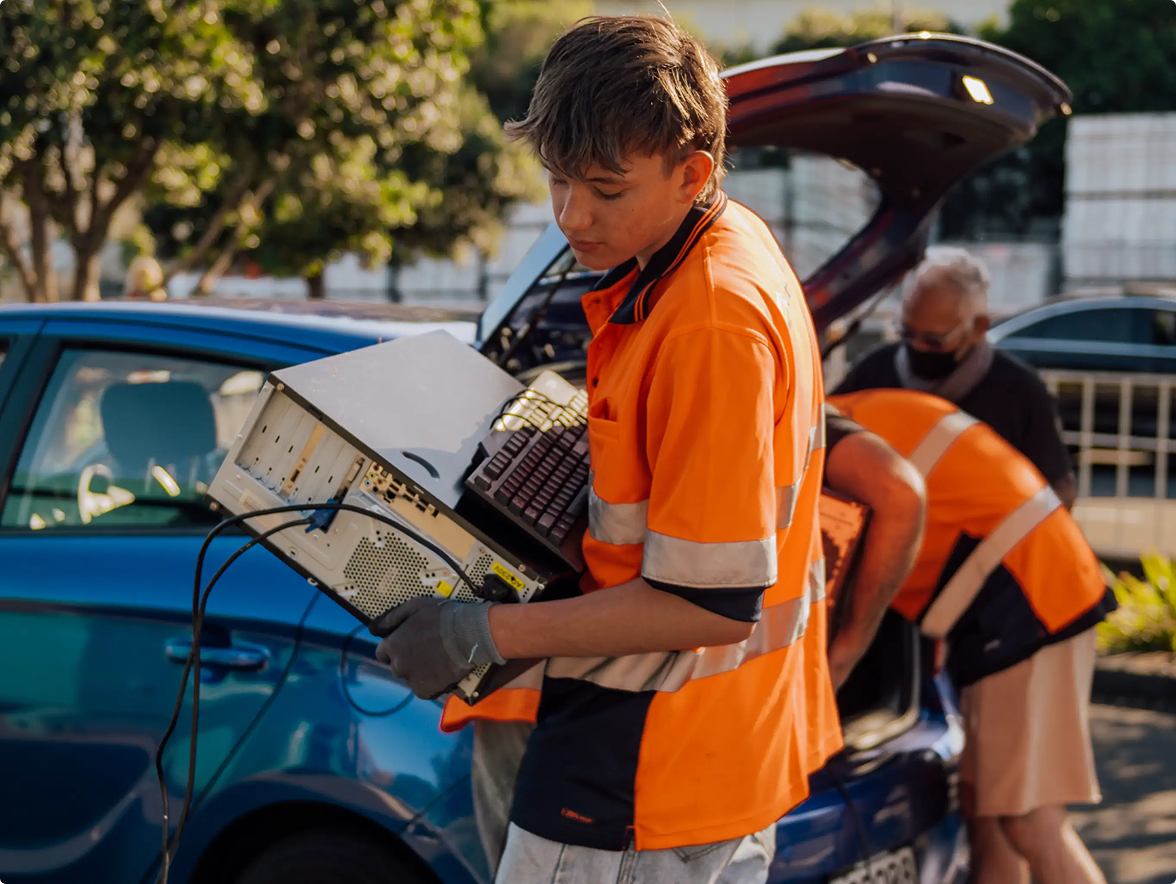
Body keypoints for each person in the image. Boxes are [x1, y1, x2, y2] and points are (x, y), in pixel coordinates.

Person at [369, 15, 839, 884]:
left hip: (640, 775)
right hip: (701, 760)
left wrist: (478, 632)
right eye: (556, 180)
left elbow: (707, 604)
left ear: (691, 170)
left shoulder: (707, 317)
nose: (571, 216)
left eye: (606, 189)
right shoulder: (724, 247)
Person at [825, 388, 1115, 884]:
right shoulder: (857, 411)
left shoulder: (826, 438)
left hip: (1030, 602)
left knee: (1029, 822)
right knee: (988, 812)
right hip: (1023, 596)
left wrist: (845, 651)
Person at [833, 247, 1078, 509]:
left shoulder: (1020, 393)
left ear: (978, 328)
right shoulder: (873, 372)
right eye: (906, 332)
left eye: (934, 340)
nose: (918, 347)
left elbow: (1058, 494)